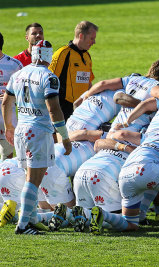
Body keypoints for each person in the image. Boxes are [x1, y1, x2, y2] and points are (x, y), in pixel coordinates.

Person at [2, 40, 72, 235]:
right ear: (49, 56)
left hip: (21, 130)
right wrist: (65, 137)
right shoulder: (49, 78)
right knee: (34, 180)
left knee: (29, 177)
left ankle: (31, 219)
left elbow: (6, 101)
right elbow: (54, 109)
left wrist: (9, 127)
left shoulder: (18, 74)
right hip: (39, 132)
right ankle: (23, 226)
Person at [49, 21, 98, 120]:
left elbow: (88, 83)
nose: (94, 42)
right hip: (64, 109)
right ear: (81, 36)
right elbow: (48, 80)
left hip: (83, 108)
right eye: (91, 38)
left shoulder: (87, 56)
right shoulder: (62, 54)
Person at [0, 32, 23, 161]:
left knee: (7, 159)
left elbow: (24, 92)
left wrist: (10, 97)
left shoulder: (15, 65)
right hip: (8, 119)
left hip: (7, 120)